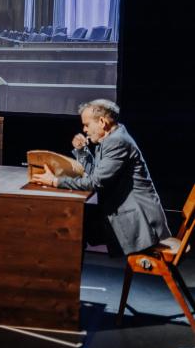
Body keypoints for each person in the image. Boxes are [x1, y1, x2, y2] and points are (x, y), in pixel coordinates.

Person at [31, 99, 170, 255]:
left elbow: (94, 182)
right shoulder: (113, 138)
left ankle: (62, 273)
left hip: (138, 222)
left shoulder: (117, 142)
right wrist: (83, 151)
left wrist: (55, 181)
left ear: (102, 122)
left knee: (73, 225)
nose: (84, 130)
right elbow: (95, 174)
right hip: (124, 212)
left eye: (87, 125)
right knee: (74, 223)